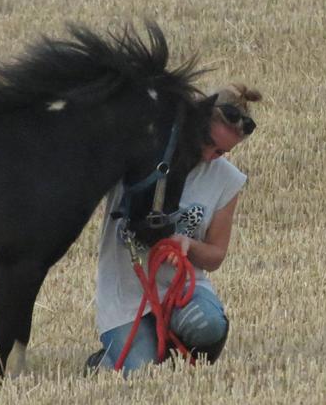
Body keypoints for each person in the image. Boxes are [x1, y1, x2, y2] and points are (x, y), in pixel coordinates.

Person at [86, 83, 262, 375]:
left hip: (181, 290)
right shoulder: (143, 151)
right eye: (208, 142)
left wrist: (188, 244)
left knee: (209, 327)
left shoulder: (228, 181)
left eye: (221, 152)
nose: (209, 156)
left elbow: (216, 255)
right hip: (124, 298)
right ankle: (105, 362)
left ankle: (168, 345)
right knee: (141, 372)